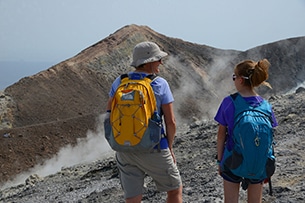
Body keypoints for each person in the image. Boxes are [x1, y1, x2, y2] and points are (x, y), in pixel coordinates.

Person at [106, 41, 183, 203]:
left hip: (124, 150)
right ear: (149, 62)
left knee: (133, 197)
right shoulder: (159, 84)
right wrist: (169, 147)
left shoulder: (119, 82)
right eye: (158, 59)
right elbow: (171, 122)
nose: (161, 62)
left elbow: (108, 115)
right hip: (154, 148)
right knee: (174, 189)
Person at [214, 59, 278, 203]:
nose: (233, 80)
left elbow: (221, 135)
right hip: (259, 162)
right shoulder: (266, 105)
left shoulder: (229, 102)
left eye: (234, 77)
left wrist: (220, 161)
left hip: (233, 161)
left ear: (241, 80)